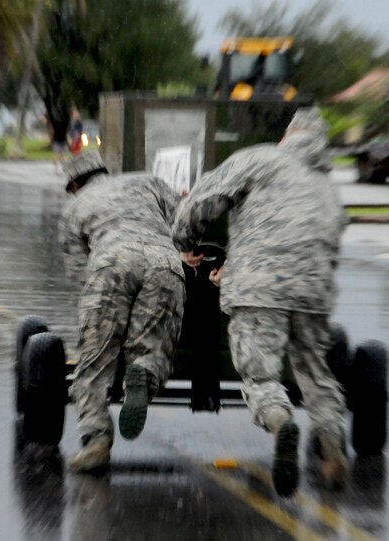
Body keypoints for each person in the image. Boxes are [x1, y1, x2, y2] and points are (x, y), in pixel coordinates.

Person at [172, 107, 348, 497]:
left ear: (288, 135)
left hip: (259, 288)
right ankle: (334, 449)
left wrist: (184, 244)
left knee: (261, 374)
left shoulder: (260, 158)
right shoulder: (327, 188)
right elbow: (332, 245)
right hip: (315, 293)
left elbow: (203, 199)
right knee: (316, 373)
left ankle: (281, 422)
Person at [59, 150, 185, 472]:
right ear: (105, 171)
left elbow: (78, 274)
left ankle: (96, 442)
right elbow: (184, 221)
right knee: (152, 347)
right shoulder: (148, 182)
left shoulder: (74, 208)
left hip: (110, 263)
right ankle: (141, 376)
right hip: (163, 263)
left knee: (95, 360)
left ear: (74, 185)